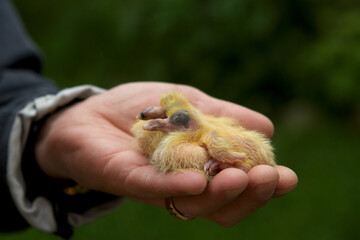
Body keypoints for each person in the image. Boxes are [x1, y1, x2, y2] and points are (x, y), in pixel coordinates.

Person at [0, 0, 298, 239]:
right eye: (164, 116)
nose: (159, 121)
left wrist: (42, 131)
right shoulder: (173, 133)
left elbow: (6, 80)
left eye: (173, 118)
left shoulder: (200, 138)